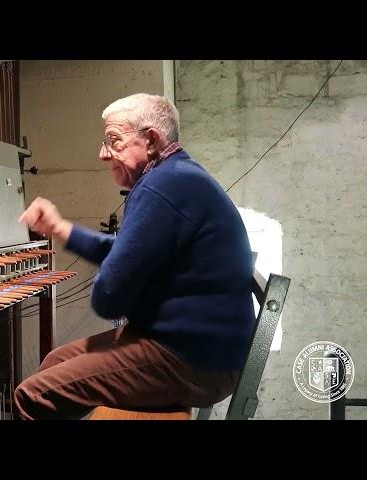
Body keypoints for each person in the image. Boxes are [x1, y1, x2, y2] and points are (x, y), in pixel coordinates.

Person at [13, 93, 255, 420]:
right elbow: (123, 252)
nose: (102, 154)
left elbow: (109, 298)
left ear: (151, 140)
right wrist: (59, 228)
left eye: (114, 141)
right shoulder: (175, 176)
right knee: (55, 364)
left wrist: (118, 278)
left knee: (33, 396)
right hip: (198, 348)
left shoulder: (163, 187)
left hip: (194, 359)